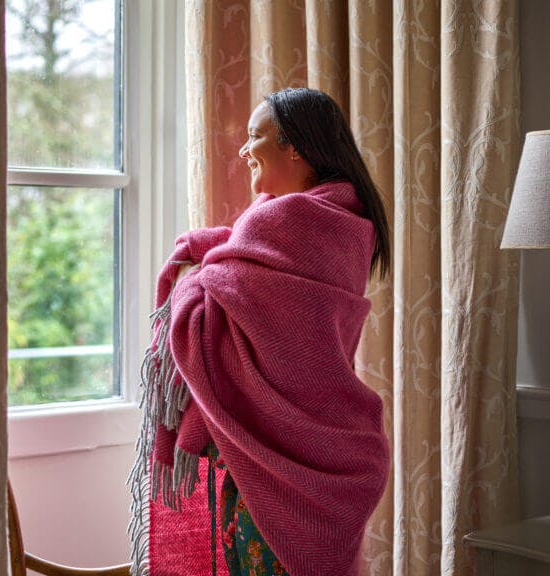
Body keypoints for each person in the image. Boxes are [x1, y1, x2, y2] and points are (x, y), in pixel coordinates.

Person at [130, 87, 391, 576]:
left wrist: (190, 280)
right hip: (336, 448)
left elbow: (208, 307)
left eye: (255, 136)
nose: (244, 150)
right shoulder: (352, 225)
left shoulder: (285, 219)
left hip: (277, 461)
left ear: (294, 146)